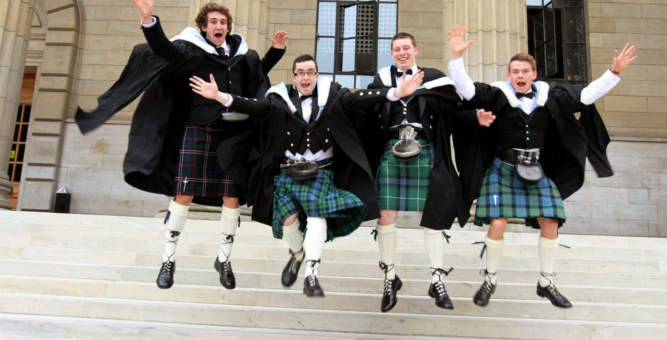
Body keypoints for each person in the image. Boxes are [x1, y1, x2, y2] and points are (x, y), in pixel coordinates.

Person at [75, 0, 288, 291]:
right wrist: (149, 21)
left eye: (223, 22)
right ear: (203, 27)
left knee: (232, 199)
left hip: (234, 136)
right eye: (213, 22)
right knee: (183, 195)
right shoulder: (190, 50)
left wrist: (275, 53)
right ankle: (168, 259)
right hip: (198, 131)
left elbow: (254, 74)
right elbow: (163, 49)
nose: (219, 26)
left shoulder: (243, 54)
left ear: (228, 28)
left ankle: (224, 259)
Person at [189, 54, 424, 297]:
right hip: (289, 173)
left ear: (316, 75)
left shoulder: (334, 96)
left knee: (316, 217)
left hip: (321, 173)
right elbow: (253, 105)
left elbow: (359, 98)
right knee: (289, 220)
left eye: (310, 72)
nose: (305, 77)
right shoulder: (280, 100)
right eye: (300, 72)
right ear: (293, 76)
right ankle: (297, 254)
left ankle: (311, 274)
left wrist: (395, 92)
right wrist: (219, 95)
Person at [447, 25, 637, 308]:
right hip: (503, 168)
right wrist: (457, 58)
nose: (520, 76)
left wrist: (614, 72)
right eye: (515, 72)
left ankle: (546, 282)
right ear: (509, 75)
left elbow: (586, 96)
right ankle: (490, 279)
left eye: (525, 71)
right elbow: (468, 91)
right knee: (497, 222)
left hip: (537, 170)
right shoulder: (498, 94)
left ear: (534, 74)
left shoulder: (552, 96)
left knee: (550, 221)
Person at [364, 33, 471, 312]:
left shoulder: (433, 77)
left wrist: (457, 59)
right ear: (392, 53)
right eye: (397, 49)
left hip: (424, 149)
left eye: (406, 48)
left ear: (415, 50)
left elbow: (458, 106)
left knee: (431, 214)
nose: (402, 53)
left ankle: (436, 279)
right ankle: (389, 278)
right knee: (386, 215)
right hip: (391, 149)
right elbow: (362, 106)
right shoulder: (381, 82)